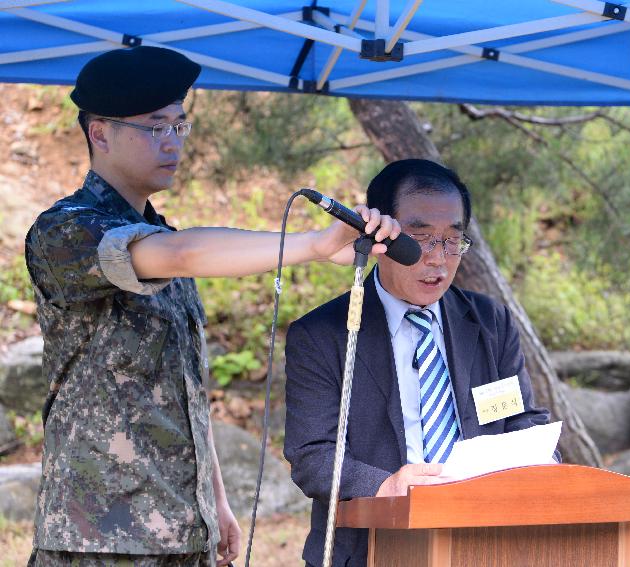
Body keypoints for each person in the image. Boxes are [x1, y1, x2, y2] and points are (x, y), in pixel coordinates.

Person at [24, 46, 400, 567]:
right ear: (100, 132)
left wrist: (216, 501)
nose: (172, 142)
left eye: (180, 126)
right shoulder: (65, 230)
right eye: (155, 127)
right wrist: (313, 244)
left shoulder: (166, 241)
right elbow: (181, 253)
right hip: (99, 538)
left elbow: (187, 391)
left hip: (183, 529)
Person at [284, 159, 557, 567]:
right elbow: (312, 456)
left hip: (483, 542)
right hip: (369, 548)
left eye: (452, 241)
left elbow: (517, 417)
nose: (438, 259)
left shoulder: (489, 322)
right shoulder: (324, 333)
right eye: (421, 238)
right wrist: (386, 485)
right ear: (382, 234)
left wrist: (542, 459)